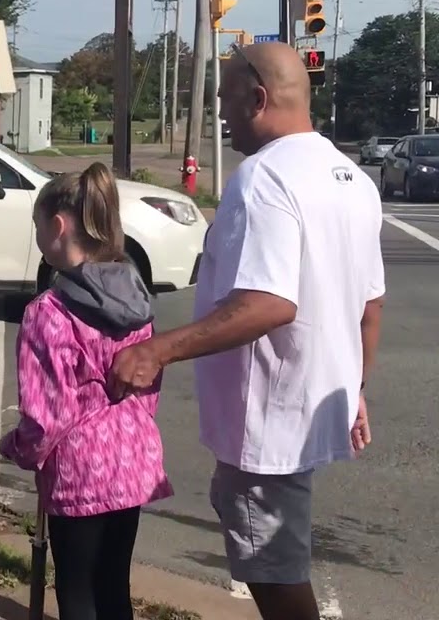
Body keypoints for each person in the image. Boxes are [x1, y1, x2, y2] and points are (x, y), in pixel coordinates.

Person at [109, 42, 385, 620]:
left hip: (270, 427)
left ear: (258, 98)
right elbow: (369, 305)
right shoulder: (349, 178)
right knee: (275, 554)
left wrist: (157, 351)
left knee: (274, 571)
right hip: (308, 410)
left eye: (226, 96)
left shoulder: (263, 179)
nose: (220, 109)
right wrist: (355, 387)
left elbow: (267, 304)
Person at [0, 162, 172, 620]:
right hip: (132, 459)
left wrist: (18, 448)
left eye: (38, 228)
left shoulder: (49, 312)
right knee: (114, 584)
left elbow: (45, 416)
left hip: (79, 470)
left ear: (57, 226)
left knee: (76, 590)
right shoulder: (136, 297)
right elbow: (148, 384)